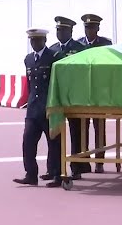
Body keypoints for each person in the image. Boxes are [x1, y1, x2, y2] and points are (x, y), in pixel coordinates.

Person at [13, 28, 63, 188]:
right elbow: (30, 84)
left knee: (54, 143)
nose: (34, 43)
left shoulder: (54, 57)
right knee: (28, 141)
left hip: (49, 108)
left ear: (44, 41)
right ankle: (31, 174)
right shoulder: (28, 59)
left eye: (37, 40)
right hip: (33, 108)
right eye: (32, 41)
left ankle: (57, 174)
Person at [47, 16, 85, 180]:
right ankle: (55, 169)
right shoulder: (52, 49)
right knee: (55, 134)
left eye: (63, 30)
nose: (60, 33)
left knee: (77, 134)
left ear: (70, 31)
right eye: (58, 30)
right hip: (58, 98)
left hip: (75, 98)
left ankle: (77, 167)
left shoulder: (80, 48)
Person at [76, 14, 112, 173]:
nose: (89, 30)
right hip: (83, 92)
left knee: (99, 127)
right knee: (83, 127)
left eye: (92, 27)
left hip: (99, 91)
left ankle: (100, 160)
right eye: (86, 28)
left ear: (98, 28)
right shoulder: (78, 44)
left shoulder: (105, 44)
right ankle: (84, 160)